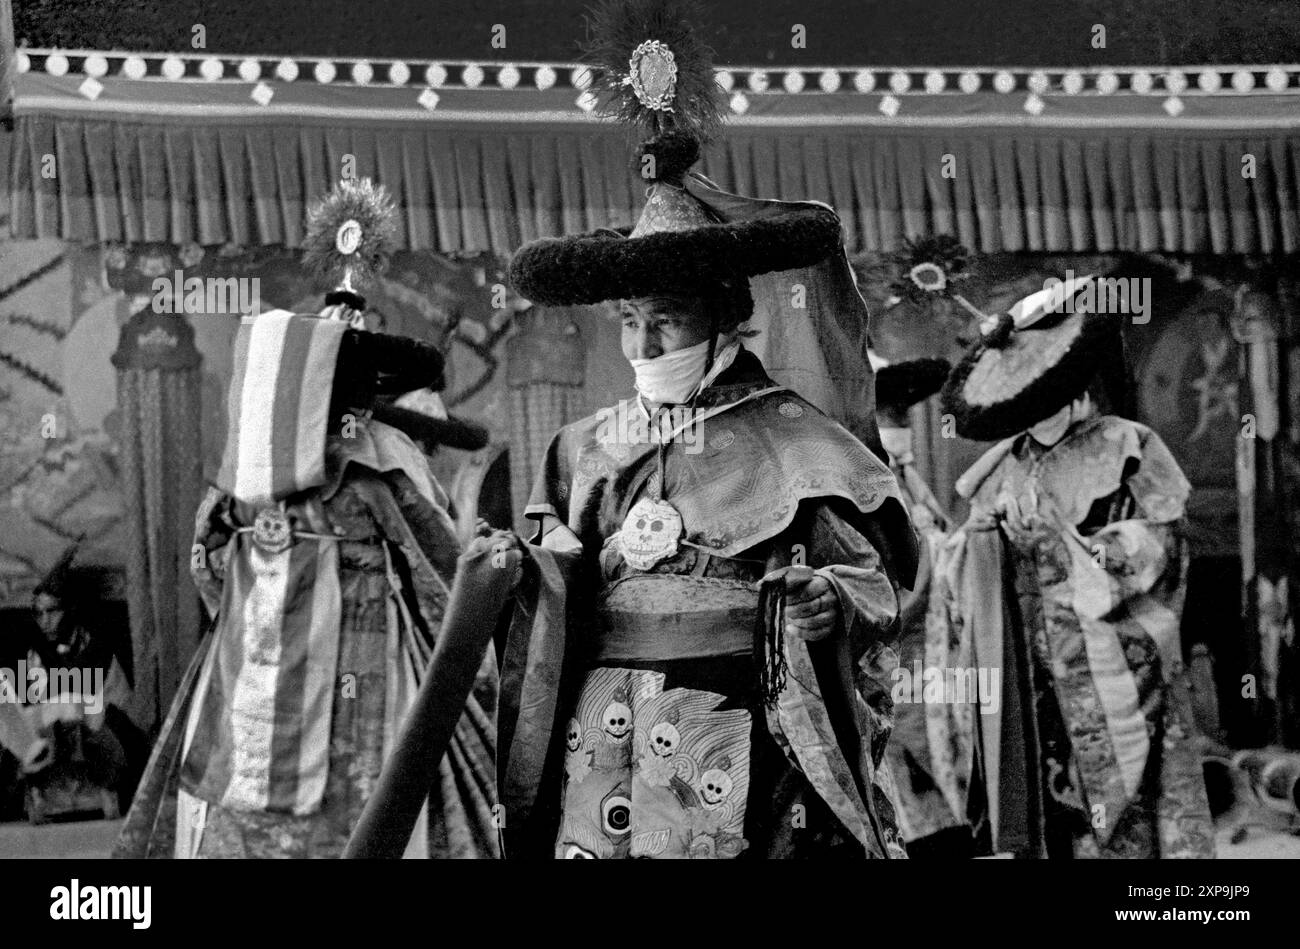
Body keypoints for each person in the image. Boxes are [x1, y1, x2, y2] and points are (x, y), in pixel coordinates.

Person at [487, 0, 918, 860]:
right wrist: (527, 568)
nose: (644, 344)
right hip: (601, 722)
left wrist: (829, 598)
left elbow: (879, 577)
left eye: (668, 322)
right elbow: (542, 571)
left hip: (736, 715)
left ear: (724, 320)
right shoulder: (583, 446)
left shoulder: (796, 442)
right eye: (630, 321)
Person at [115, 180, 498, 858]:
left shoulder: (245, 470)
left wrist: (263, 608)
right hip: (365, 665)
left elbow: (208, 569)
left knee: (245, 802)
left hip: (251, 664)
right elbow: (442, 583)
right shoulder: (388, 463)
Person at [928, 275, 1216, 858]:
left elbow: (1164, 539)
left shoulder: (1124, 443)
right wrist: (977, 545)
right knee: (1039, 792)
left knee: (1128, 810)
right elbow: (964, 566)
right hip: (1026, 660)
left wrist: (1075, 550)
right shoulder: (1000, 467)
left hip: (1110, 650)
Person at [869, 353, 974, 856]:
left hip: (936, 665)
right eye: (886, 411)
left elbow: (939, 541)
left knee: (946, 783)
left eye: (902, 412)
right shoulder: (867, 492)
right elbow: (901, 579)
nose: (898, 423)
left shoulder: (907, 480)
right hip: (895, 663)